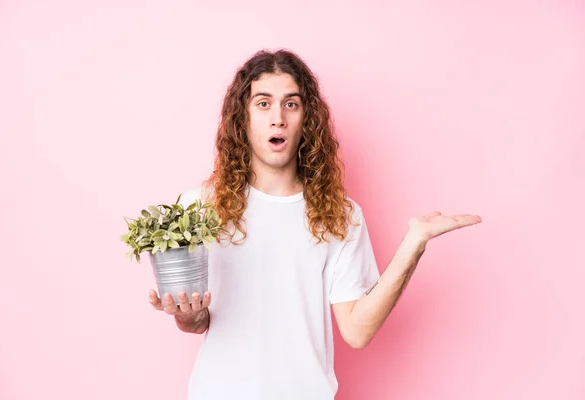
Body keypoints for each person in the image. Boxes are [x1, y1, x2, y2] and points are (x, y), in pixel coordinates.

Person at [147, 49, 482, 399]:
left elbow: (357, 330)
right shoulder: (200, 207)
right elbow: (197, 322)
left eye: (291, 104)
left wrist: (413, 245)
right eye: (263, 104)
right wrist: (188, 314)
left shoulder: (340, 214)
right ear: (242, 118)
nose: (278, 117)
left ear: (306, 118)